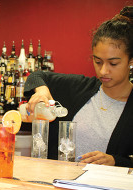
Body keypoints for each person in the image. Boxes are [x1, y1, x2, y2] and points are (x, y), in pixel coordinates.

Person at [24, 6, 133, 167]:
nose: (103, 70)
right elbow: (37, 76)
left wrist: (115, 161)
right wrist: (42, 91)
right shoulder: (80, 87)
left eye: (113, 63)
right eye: (98, 62)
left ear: (131, 61)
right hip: (57, 184)